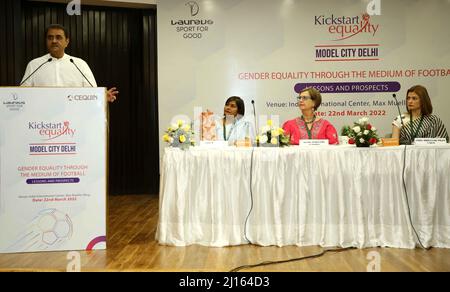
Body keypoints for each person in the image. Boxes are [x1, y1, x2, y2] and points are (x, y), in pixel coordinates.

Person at [20, 24, 118, 102]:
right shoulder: (34, 65)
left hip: (73, 119)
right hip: (42, 120)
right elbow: (22, 93)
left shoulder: (79, 64)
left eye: (58, 37)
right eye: (50, 38)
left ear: (67, 42)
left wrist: (101, 96)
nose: (54, 41)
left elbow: (91, 92)